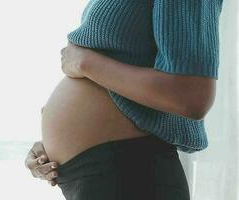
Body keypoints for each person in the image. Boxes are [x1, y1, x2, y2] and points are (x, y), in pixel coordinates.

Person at [25, 0, 224, 199]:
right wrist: (50, 149)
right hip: (97, 174)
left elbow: (192, 96)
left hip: (131, 173)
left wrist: (84, 63)